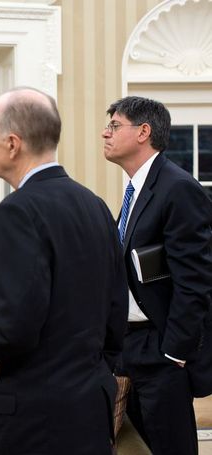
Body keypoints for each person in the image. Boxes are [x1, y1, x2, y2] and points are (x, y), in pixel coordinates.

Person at [0, 88, 128, 454]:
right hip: (88, 411)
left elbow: (12, 327)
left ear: (13, 144)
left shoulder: (15, 214)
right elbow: (116, 314)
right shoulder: (95, 206)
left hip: (29, 422)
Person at [103, 96, 212, 455]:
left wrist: (174, 354)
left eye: (115, 125)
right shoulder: (135, 188)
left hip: (161, 351)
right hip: (130, 347)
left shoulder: (177, 188)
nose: (106, 133)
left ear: (143, 132)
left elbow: (195, 279)